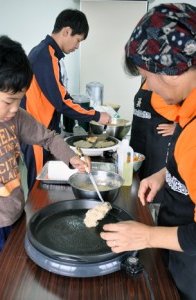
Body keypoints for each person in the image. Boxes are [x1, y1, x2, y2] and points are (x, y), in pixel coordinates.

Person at [0, 35, 89, 294]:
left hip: (17, 213)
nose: (15, 108)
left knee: (15, 279)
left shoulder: (15, 118)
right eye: (8, 101)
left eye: (20, 99)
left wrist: (72, 157)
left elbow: (48, 137)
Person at [100, 3, 196, 299]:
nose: (150, 88)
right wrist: (166, 174)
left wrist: (146, 235)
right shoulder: (187, 109)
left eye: (147, 76)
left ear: (171, 69)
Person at [20, 8, 111, 192]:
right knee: (38, 189)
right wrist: (95, 115)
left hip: (43, 133)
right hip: (36, 134)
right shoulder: (45, 56)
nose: (77, 47)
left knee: (44, 187)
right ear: (66, 31)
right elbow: (61, 102)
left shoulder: (48, 54)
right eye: (77, 40)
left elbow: (62, 94)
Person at [130, 80, 178, 218]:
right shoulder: (146, 79)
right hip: (138, 144)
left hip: (158, 148)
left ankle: (152, 222)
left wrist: (179, 128)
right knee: (137, 186)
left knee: (154, 191)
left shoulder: (171, 79)